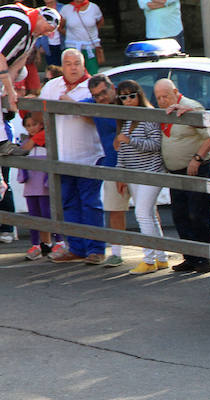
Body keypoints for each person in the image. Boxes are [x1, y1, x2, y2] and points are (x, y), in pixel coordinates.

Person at [42, 49, 106, 264]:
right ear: (62, 65)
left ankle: (96, 249)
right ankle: (76, 247)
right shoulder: (52, 86)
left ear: (83, 64)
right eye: (68, 63)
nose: (73, 67)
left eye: (77, 63)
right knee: (68, 204)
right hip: (62, 158)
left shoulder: (93, 86)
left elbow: (96, 118)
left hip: (89, 156)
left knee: (91, 205)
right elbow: (38, 112)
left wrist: (71, 105)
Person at [154, 78, 210, 272]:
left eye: (166, 96)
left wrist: (197, 158)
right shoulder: (165, 111)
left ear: (176, 91)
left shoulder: (191, 107)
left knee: (198, 215)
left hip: (197, 169)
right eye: (158, 98)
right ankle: (190, 257)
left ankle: (205, 258)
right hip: (175, 173)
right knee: (180, 215)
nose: (162, 101)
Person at [113, 79, 169, 274]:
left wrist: (130, 139)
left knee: (142, 215)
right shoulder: (125, 118)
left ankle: (149, 259)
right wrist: (120, 174)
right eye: (123, 97)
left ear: (139, 95)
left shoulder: (148, 115)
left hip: (151, 172)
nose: (128, 100)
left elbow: (155, 144)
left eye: (131, 95)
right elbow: (122, 150)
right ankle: (161, 258)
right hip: (134, 174)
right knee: (150, 215)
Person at [0, 3, 60, 153]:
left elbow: (18, 64)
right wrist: (9, 90)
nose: (46, 34)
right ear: (41, 19)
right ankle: (1, 142)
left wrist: (8, 91)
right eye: (47, 29)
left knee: (23, 72)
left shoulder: (31, 35)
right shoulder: (21, 24)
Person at [85, 73, 127, 267]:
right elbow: (74, 104)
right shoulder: (96, 107)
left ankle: (155, 253)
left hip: (137, 164)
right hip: (111, 165)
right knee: (114, 210)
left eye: (103, 92)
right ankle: (116, 253)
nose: (101, 97)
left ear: (113, 87)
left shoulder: (128, 103)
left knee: (147, 211)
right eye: (96, 95)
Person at [18, 112, 61, 259]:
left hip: (45, 186)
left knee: (48, 214)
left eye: (34, 124)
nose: (31, 128)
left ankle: (59, 242)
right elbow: (21, 156)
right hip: (31, 186)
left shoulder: (46, 141)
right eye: (28, 126)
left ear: (41, 124)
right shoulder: (25, 142)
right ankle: (37, 245)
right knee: (34, 216)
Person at [60, 0, 103, 75]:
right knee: (74, 72)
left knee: (92, 73)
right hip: (73, 47)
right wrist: (70, 35)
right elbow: (59, 26)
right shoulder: (66, 9)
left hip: (91, 47)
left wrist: (93, 33)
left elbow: (100, 22)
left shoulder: (94, 8)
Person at [37, 0, 64, 68]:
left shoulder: (63, 8)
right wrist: (39, 45)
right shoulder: (39, 11)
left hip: (63, 44)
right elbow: (37, 29)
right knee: (53, 69)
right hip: (47, 45)